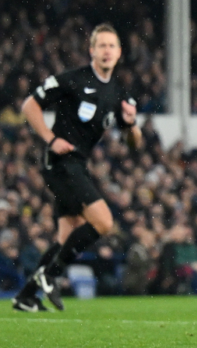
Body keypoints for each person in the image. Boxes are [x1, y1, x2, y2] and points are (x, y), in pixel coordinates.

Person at [12, 24, 142, 312]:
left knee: (66, 237)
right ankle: (51, 275)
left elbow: (134, 143)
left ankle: (26, 296)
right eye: (102, 45)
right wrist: (50, 137)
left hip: (77, 164)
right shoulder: (73, 80)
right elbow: (29, 105)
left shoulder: (118, 93)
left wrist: (132, 124)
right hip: (59, 161)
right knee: (104, 222)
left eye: (112, 46)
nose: (107, 51)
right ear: (92, 50)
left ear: (119, 53)